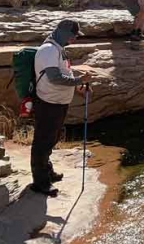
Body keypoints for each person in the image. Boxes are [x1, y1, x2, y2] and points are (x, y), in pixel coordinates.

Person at [31, 20, 90, 197]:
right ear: (63, 32)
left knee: (51, 139)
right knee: (43, 141)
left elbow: (65, 74)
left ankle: (47, 171)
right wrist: (80, 81)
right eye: (73, 35)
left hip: (57, 103)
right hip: (48, 103)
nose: (74, 39)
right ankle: (40, 183)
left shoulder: (58, 49)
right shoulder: (48, 50)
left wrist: (78, 89)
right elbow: (55, 78)